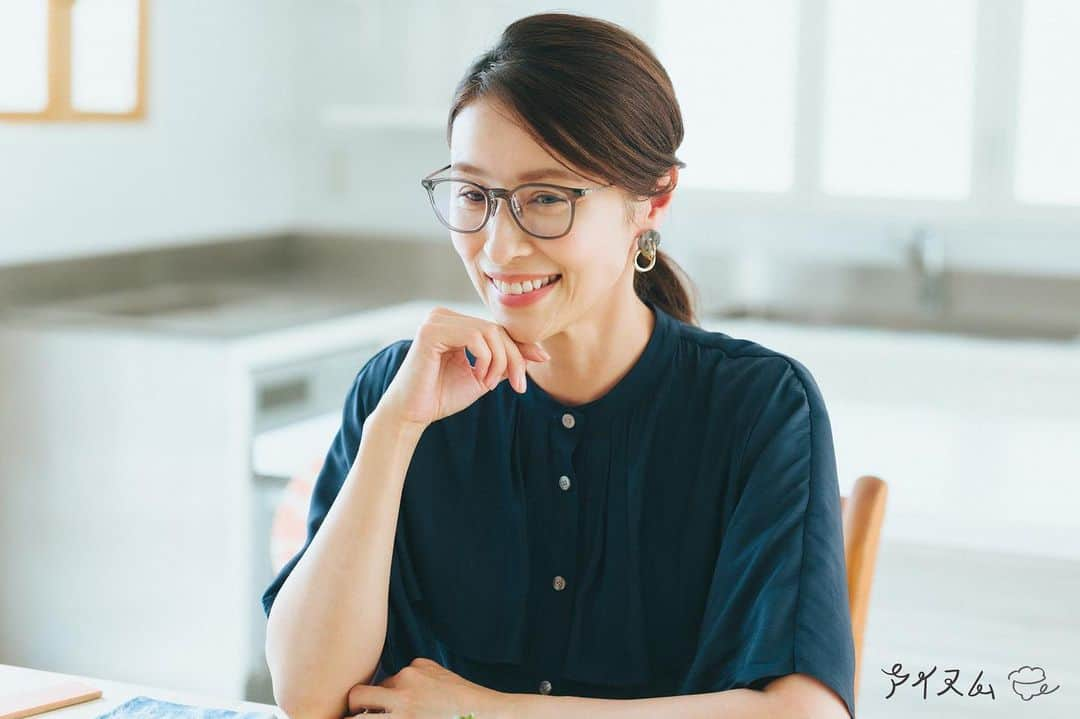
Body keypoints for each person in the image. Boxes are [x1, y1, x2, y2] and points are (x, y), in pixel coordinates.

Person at [262, 11, 856, 719]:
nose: (499, 247)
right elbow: (306, 694)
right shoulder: (401, 390)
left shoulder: (758, 406)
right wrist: (393, 431)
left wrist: (484, 711)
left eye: (546, 198)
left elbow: (803, 712)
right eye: (475, 196)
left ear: (652, 200)